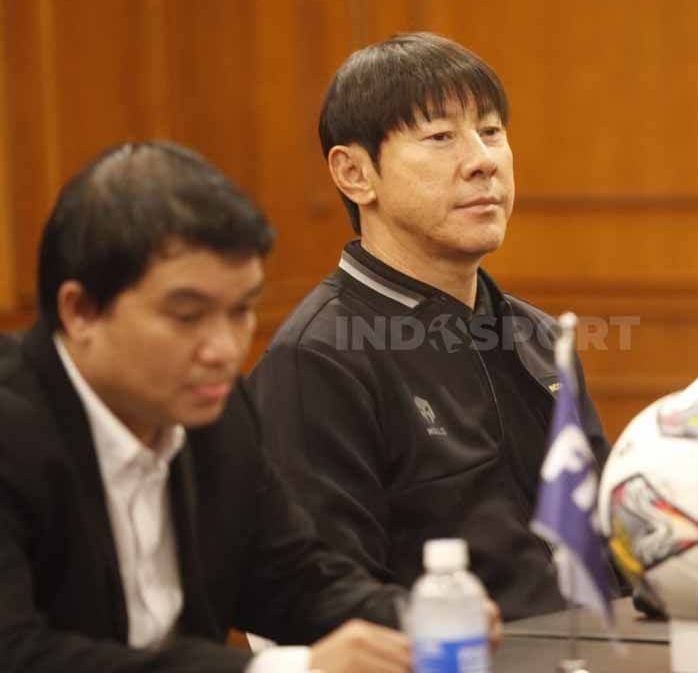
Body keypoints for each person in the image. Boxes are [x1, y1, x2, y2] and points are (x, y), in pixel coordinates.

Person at [0, 141, 416, 672]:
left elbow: (291, 578)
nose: (226, 351)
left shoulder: (218, 412)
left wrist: (416, 619)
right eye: (188, 316)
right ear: (80, 312)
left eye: (241, 311)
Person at [249, 32, 613, 620]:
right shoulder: (316, 357)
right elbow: (317, 596)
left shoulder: (541, 336)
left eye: (491, 131)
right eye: (441, 137)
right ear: (355, 174)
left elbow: (609, 544)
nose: (483, 161)